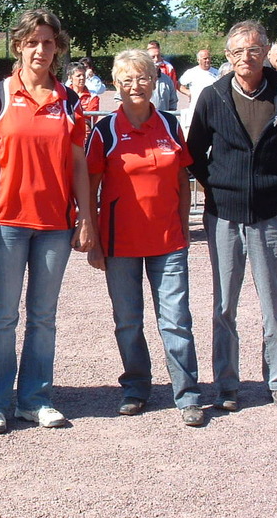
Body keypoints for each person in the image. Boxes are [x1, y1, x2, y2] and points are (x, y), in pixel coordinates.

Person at [0, 8, 94, 435]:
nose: (40, 50)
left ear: (58, 48)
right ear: (19, 46)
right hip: (5, 220)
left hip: (55, 224)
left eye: (48, 42)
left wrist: (87, 218)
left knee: (43, 316)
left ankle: (35, 399)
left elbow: (78, 164)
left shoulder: (71, 101)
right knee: (3, 316)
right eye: (33, 42)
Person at [187, 20, 277, 413]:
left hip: (269, 215)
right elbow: (194, 154)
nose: (246, 58)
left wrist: (275, 185)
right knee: (224, 304)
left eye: (254, 50)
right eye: (238, 51)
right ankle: (227, 384)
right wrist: (218, 187)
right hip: (222, 214)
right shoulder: (212, 96)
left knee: (275, 302)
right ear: (227, 56)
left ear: (267, 53)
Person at [87, 50, 203, 427]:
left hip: (168, 241)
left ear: (155, 82)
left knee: (175, 321)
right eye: (126, 80)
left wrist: (184, 226)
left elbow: (184, 182)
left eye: (142, 78)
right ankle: (136, 387)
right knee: (127, 321)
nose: (135, 86)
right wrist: (91, 236)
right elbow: (89, 187)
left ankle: (187, 394)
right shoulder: (104, 130)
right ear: (116, 85)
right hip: (120, 243)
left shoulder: (170, 125)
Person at [178, 49, 219, 127]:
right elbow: (179, 85)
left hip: (213, 109)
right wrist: (188, 93)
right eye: (205, 59)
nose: (207, 60)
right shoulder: (191, 72)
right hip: (196, 110)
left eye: (209, 58)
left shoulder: (217, 72)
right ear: (198, 60)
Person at [66, 61, 100, 137]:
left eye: (83, 75)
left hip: (85, 133)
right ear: (70, 78)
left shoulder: (93, 96)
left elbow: (91, 117)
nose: (82, 78)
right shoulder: (63, 94)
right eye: (78, 75)